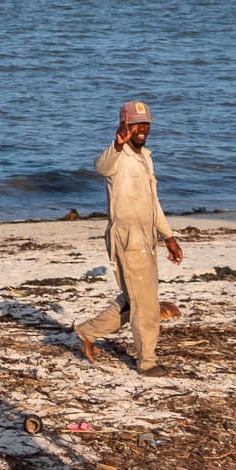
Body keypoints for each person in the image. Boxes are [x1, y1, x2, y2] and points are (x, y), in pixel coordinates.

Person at [74, 101, 184, 375]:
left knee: (137, 297)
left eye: (145, 123)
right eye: (136, 124)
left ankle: (87, 331)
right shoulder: (117, 156)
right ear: (124, 125)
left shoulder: (146, 156)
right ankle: (147, 362)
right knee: (145, 303)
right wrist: (117, 143)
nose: (142, 129)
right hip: (126, 236)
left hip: (147, 236)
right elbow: (100, 166)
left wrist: (168, 236)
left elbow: (153, 201)